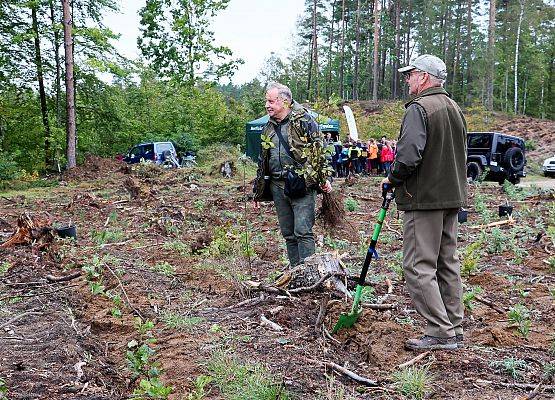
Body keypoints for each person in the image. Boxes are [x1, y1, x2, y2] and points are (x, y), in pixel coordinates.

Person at [381, 54, 467, 351]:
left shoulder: (420, 108)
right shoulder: (454, 108)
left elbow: (407, 157)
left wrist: (391, 180)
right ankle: (453, 326)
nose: (407, 80)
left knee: (418, 265)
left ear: (424, 78)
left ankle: (440, 331)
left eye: (411, 74)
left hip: (424, 199)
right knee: (447, 263)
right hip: (451, 197)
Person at [254, 82, 332, 267]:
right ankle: (296, 272)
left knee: (303, 231)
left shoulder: (304, 120)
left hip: (302, 184)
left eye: (271, 101)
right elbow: (262, 160)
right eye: (267, 101)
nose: (267, 105)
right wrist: (257, 192)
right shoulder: (268, 127)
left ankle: (309, 274)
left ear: (285, 102)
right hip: (277, 185)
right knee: (288, 233)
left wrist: (325, 178)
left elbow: (319, 149)